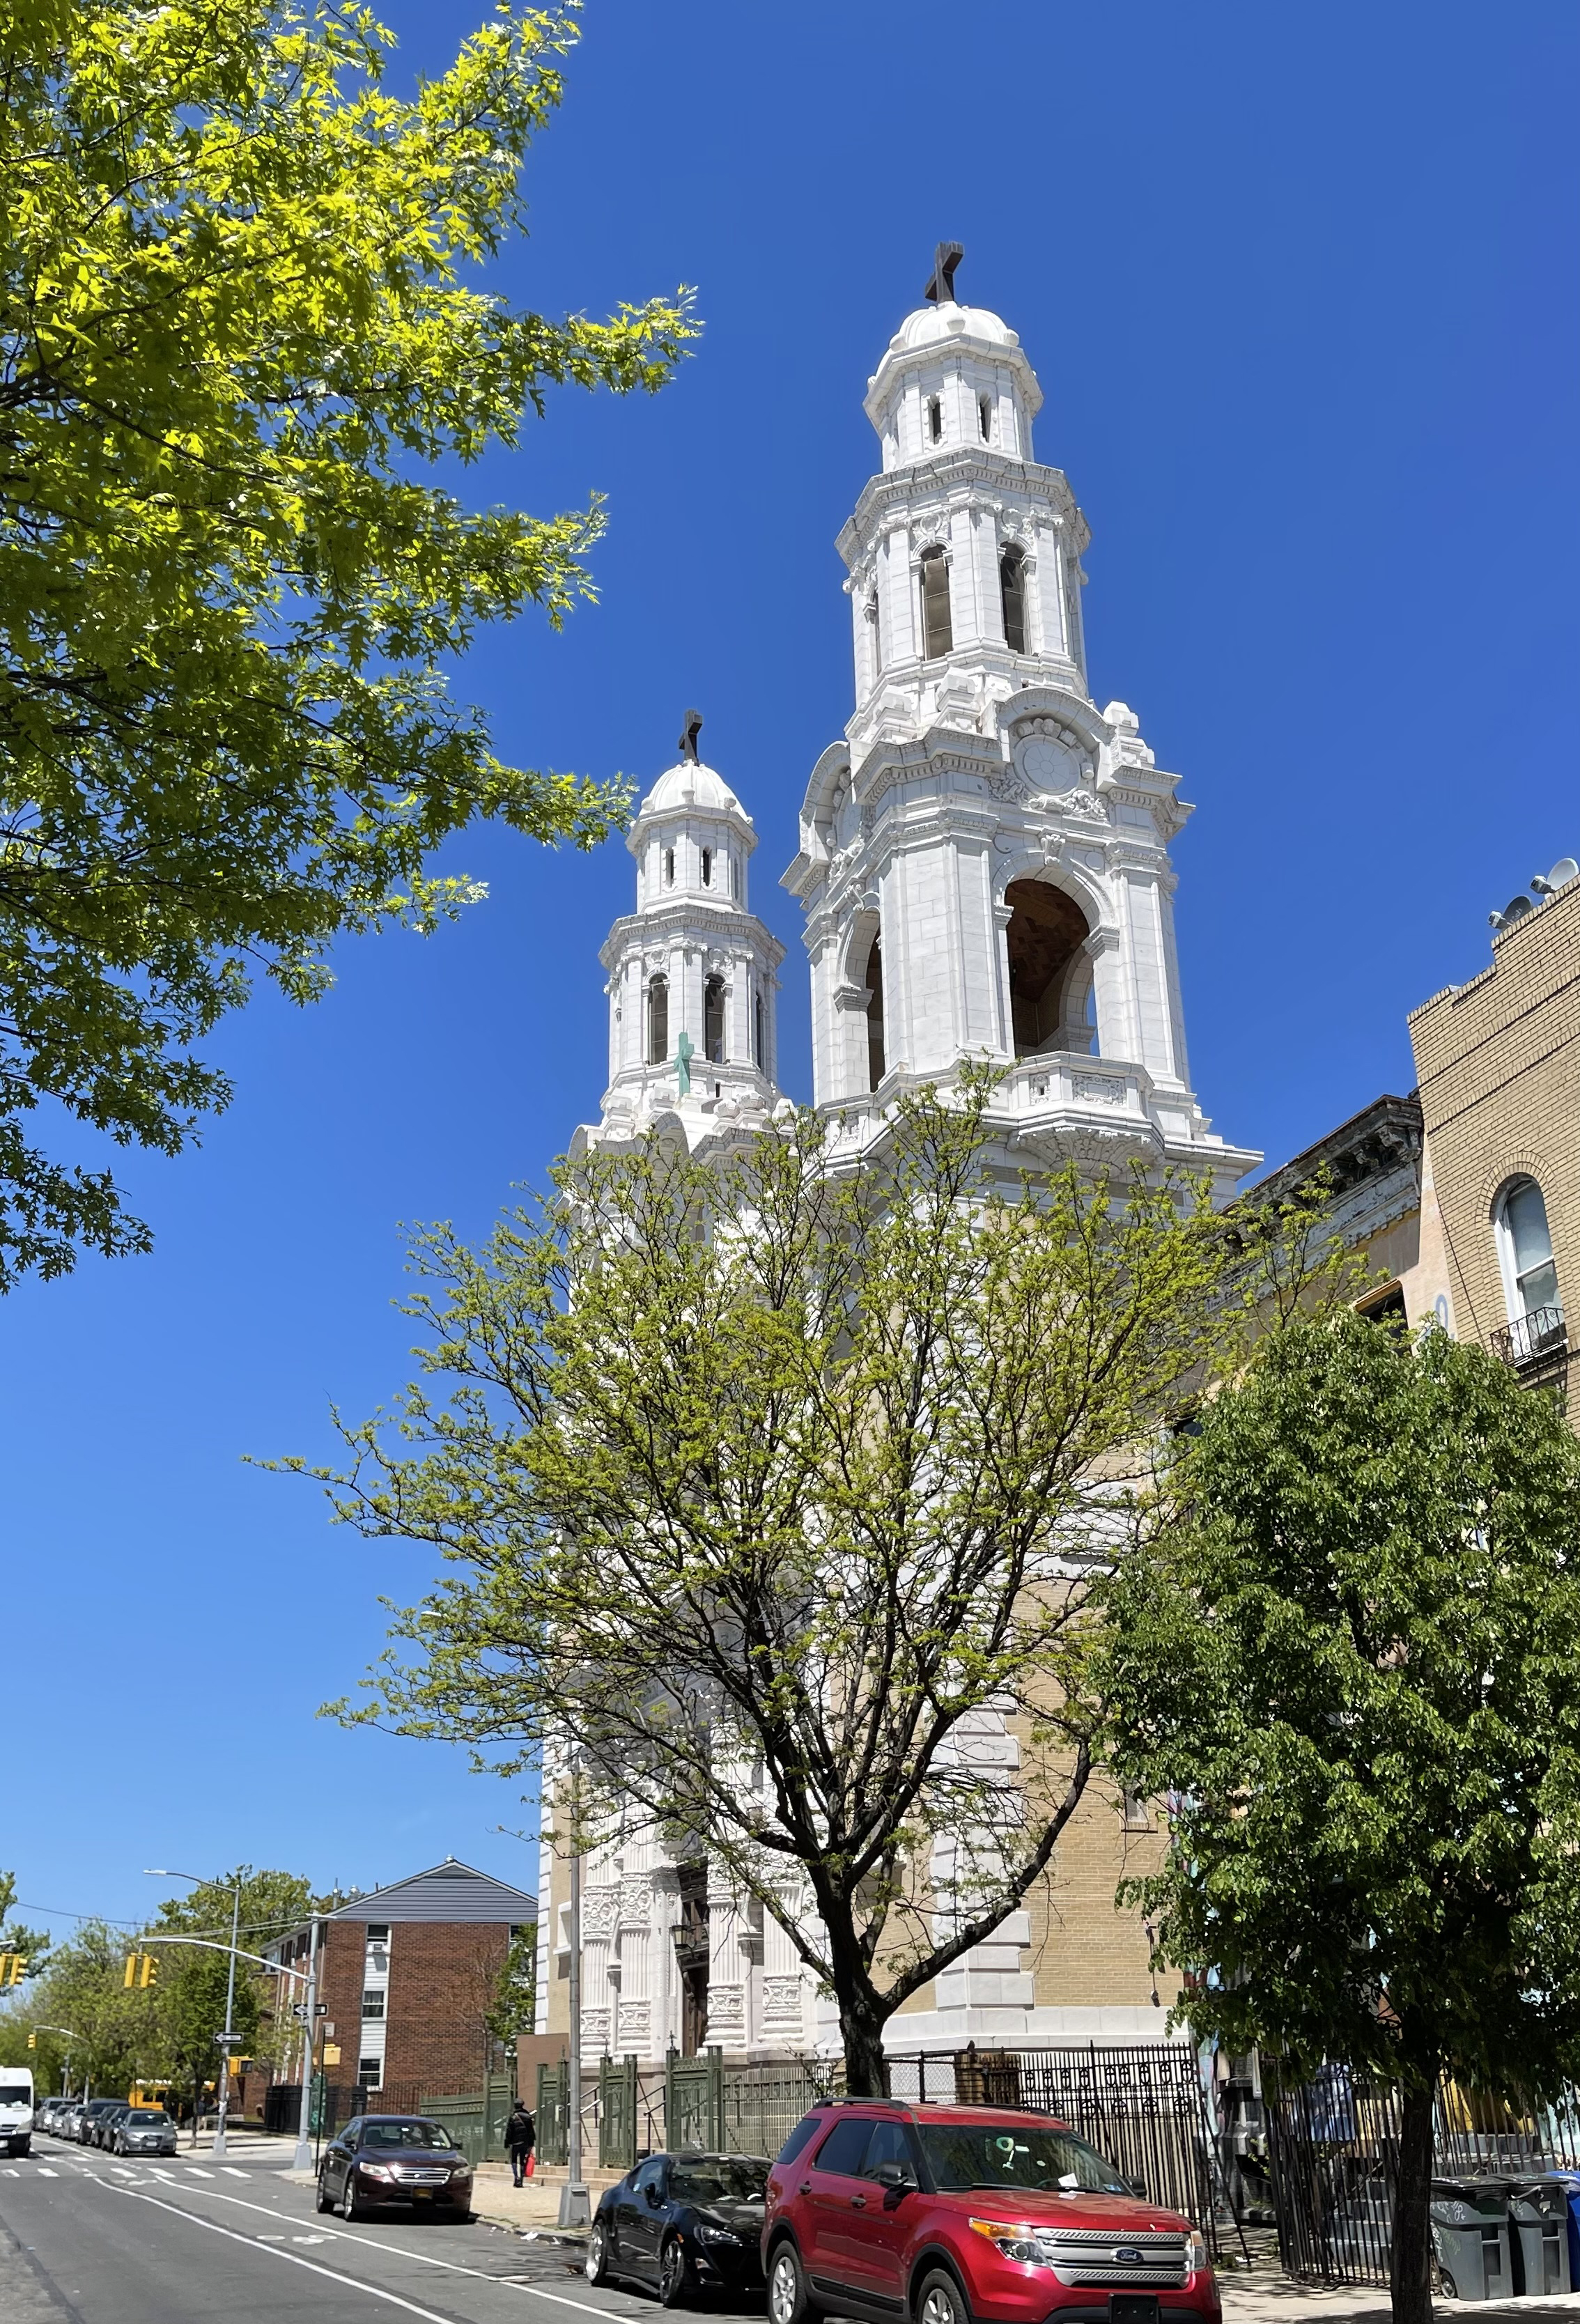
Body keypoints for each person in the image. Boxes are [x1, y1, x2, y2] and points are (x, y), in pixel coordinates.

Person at [505, 2100, 535, 2187]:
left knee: (514, 2161)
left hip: (515, 2143)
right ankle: (521, 2180)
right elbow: (531, 2131)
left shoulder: (513, 2117)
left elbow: (509, 2132)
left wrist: (507, 2142)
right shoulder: (528, 2117)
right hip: (525, 2143)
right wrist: (531, 2143)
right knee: (523, 2161)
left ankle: (516, 2178)